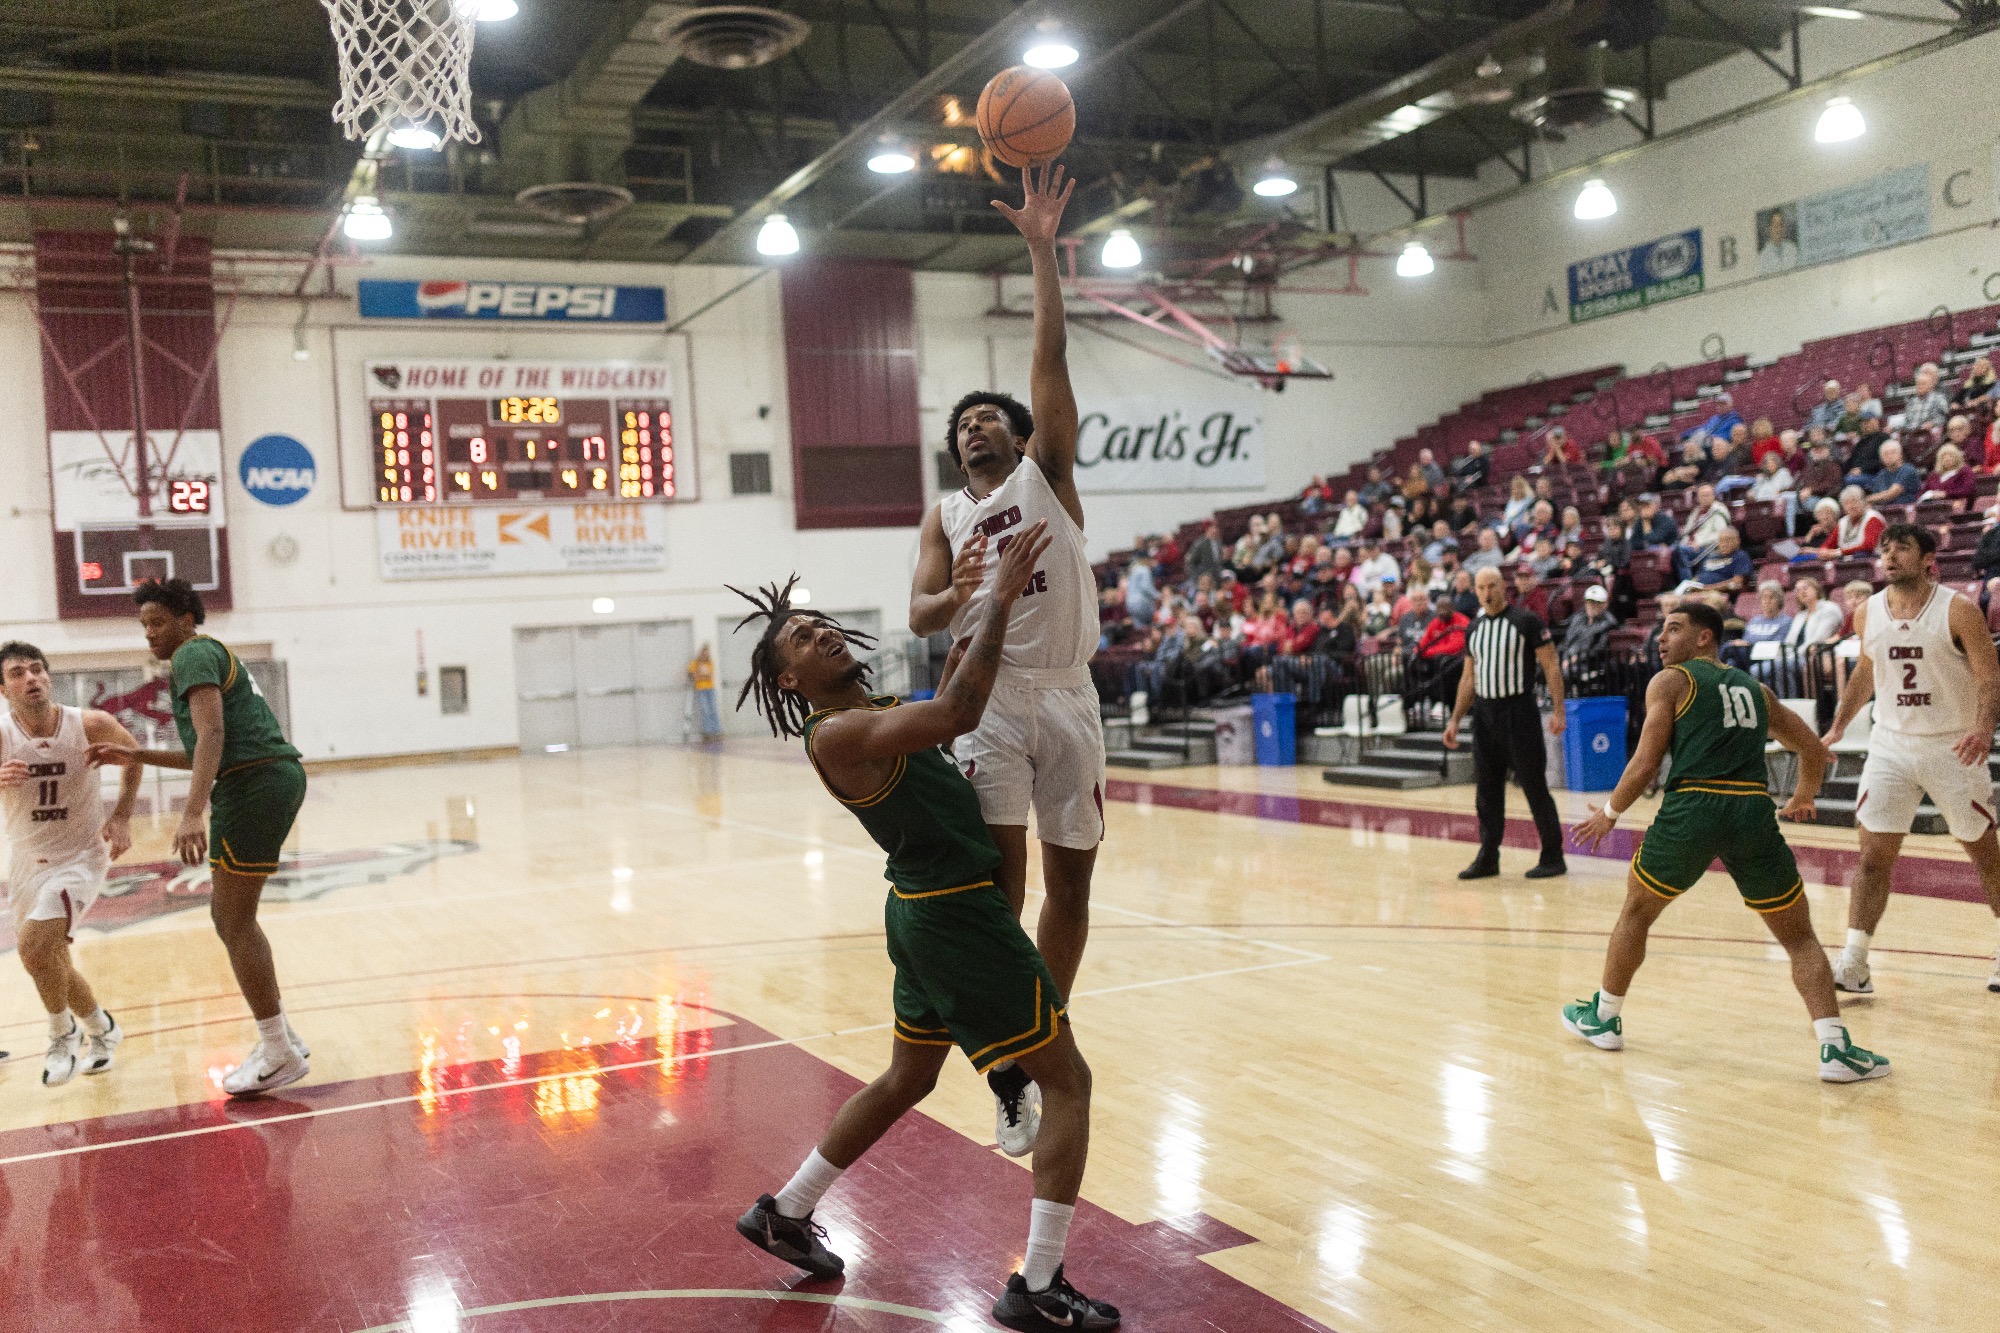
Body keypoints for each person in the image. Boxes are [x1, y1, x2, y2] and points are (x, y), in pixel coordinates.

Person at [728, 543, 1119, 1331]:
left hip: (922, 910)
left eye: (819, 623)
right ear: (788, 681)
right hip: (956, 917)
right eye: (800, 639)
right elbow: (956, 713)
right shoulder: (834, 733)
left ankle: (787, 1210)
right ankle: (1039, 1283)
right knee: (1069, 1082)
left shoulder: (865, 715)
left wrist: (966, 608)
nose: (820, 634)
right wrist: (1003, 599)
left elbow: (944, 700)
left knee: (908, 1077)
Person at [908, 167, 1107, 1156]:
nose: (972, 424)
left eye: (988, 417)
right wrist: (966, 588)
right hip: (984, 702)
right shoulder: (946, 516)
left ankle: (1037, 1038)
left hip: (1069, 697)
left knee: (1073, 890)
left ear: (1021, 438)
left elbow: (1050, 356)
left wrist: (1039, 249)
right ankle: (1005, 1063)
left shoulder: (1048, 478)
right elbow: (917, 612)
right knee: (1001, 893)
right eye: (960, 424)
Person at [1563, 601, 1889, 1082]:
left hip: (1693, 806)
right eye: (1661, 630)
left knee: (1637, 912)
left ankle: (1605, 1016)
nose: (1661, 638)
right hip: (1750, 812)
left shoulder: (1671, 681)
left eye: (1674, 629)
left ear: (1704, 639)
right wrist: (1802, 795)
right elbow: (1812, 748)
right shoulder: (1756, 690)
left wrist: (1610, 813)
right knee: (1799, 936)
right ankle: (1834, 1047)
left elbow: (1647, 761)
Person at [86, 579, 311, 1096]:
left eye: (157, 622)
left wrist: (191, 813)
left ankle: (276, 1050)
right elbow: (201, 749)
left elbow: (213, 737)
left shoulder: (193, 655)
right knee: (228, 918)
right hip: (261, 776)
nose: (149, 634)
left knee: (234, 920)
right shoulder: (202, 658)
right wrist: (137, 755)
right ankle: (282, 1037)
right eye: (143, 625)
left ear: (187, 620)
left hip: (253, 782)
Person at [1821, 524, 2000, 996]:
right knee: (1873, 857)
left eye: (1902, 547)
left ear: (1927, 560)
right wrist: (1839, 725)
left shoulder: (1958, 610)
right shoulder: (1865, 613)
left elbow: (1988, 677)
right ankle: (1855, 961)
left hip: (1951, 744)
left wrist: (1983, 729)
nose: (1890, 555)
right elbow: (1866, 670)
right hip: (1891, 745)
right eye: (1885, 548)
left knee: (1984, 852)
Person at [1, 642, 142, 1085]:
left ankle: (62, 1035)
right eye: (18, 673)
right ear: (4, 689)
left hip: (80, 856)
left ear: (49, 677)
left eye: (38, 670)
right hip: (27, 859)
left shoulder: (89, 723)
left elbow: (134, 754)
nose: (31, 679)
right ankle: (103, 1029)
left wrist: (120, 815)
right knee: (48, 961)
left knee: (34, 948)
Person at [1444, 566, 1567, 880]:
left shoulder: (1526, 621)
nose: (1487, 592)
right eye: (1481, 587)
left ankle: (1553, 856)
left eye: (1492, 585)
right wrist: (1455, 720)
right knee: (1486, 789)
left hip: (1519, 712)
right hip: (1484, 716)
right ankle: (1488, 857)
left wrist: (1559, 710)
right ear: (1475, 590)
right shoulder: (1474, 629)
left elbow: (1551, 665)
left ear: (1504, 587)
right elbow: (1468, 678)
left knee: (1533, 786)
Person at [1862, 440, 1923, 507]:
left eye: (1893, 452)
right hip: (1885, 513)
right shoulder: (1880, 476)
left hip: (1905, 512)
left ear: (1900, 455)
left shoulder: (1908, 470)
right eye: (1885, 454)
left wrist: (1864, 500)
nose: (1889, 456)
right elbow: (1874, 499)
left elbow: (1892, 493)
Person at [688, 644, 723, 739]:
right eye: (704, 653)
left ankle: (716, 731)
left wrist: (700, 675)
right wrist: (701, 676)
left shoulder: (709, 663)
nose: (705, 655)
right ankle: (707, 732)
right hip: (701, 689)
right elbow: (693, 676)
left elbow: (709, 676)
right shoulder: (695, 663)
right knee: (705, 710)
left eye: (707, 653)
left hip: (710, 688)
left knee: (713, 709)